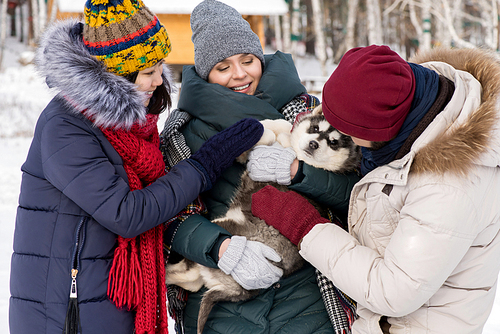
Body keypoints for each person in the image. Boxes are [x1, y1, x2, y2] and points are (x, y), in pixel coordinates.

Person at [8, 0, 272, 333]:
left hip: (108, 298)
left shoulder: (130, 125)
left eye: (161, 68)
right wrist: (204, 166)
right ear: (116, 74)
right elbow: (128, 213)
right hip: (66, 311)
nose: (160, 81)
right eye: (149, 73)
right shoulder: (66, 127)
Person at [251, 44, 500, 334]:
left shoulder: (447, 189)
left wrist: (305, 227)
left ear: (380, 130)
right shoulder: (412, 111)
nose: (346, 138)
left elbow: (392, 292)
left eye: (350, 131)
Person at [159, 0, 360, 333]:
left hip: (308, 301)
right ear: (205, 71)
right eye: (223, 67)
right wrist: (218, 247)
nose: (239, 74)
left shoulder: (309, 113)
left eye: (248, 60)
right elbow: (169, 216)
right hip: (222, 304)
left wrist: (300, 174)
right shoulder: (182, 134)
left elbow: (359, 197)